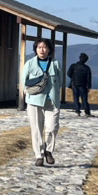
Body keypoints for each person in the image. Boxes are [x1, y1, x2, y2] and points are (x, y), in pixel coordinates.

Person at [23, 38, 63, 166]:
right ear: (35, 49)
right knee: (36, 129)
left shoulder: (55, 63)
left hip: (52, 101)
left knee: (52, 127)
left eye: (45, 47)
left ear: (49, 50)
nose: (42, 50)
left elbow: (60, 81)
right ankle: (39, 155)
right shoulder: (30, 63)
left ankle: (48, 150)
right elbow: (24, 80)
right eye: (39, 47)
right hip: (34, 100)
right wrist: (25, 91)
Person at [67, 52, 93, 117]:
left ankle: (77, 110)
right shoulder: (86, 68)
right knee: (84, 99)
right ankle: (87, 111)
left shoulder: (73, 66)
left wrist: (73, 77)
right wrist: (89, 86)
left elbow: (68, 73)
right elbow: (89, 78)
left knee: (75, 98)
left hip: (74, 84)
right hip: (83, 85)